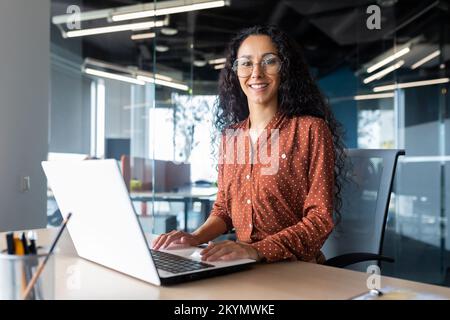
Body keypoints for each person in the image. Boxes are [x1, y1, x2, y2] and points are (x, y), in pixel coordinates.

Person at [152, 25, 346, 263]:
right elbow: (224, 209)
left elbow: (320, 218)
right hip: (242, 263)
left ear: (284, 68)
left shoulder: (310, 130)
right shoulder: (232, 136)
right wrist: (194, 237)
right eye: (246, 63)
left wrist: (258, 249)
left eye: (269, 61)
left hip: (294, 268)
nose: (256, 73)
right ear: (235, 72)